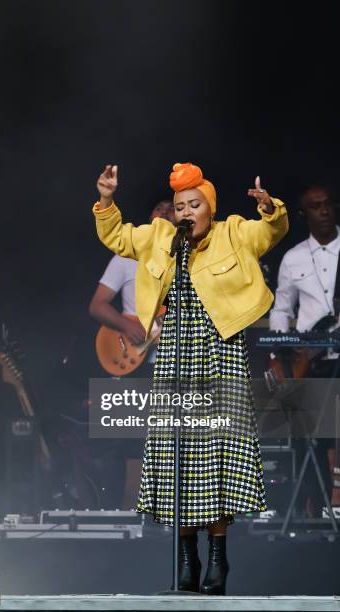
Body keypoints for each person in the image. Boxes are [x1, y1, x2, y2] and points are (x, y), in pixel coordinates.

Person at [93, 162, 288, 594]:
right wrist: (106, 200)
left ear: (209, 209)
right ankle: (187, 558)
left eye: (194, 204)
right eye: (180, 205)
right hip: (175, 359)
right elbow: (118, 235)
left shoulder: (234, 232)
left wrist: (270, 208)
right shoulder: (162, 238)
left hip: (221, 354)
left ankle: (218, 558)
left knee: (217, 458)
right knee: (176, 457)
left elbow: (269, 232)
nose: (186, 212)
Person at [269, 184, 339, 517]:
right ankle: (317, 515)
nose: (324, 211)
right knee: (313, 442)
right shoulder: (294, 257)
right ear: (304, 214)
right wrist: (281, 352)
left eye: (328, 205)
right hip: (312, 362)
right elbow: (281, 309)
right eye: (316, 206)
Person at [89, 200, 175, 375]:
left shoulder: (192, 260)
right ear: (151, 217)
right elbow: (97, 306)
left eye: (172, 209)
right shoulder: (127, 257)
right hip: (137, 363)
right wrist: (126, 326)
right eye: (159, 208)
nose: (165, 212)